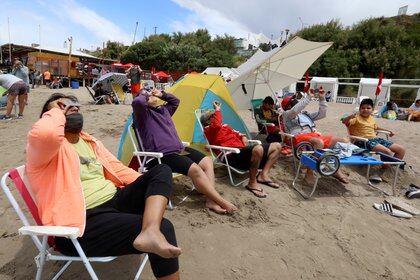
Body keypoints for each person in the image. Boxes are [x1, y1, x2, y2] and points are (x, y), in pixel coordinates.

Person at [26, 93, 181, 279]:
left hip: (114, 200)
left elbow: (119, 169)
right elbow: (46, 134)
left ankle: (150, 230)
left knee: (162, 170)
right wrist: (55, 111)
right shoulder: (44, 151)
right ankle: (154, 230)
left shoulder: (89, 141)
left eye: (74, 104)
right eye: (62, 106)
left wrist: (148, 188)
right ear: (50, 117)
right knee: (166, 227)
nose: (71, 107)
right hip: (82, 222)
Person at [132, 87, 237, 214]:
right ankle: (220, 201)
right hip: (160, 156)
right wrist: (145, 93)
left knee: (207, 161)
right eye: (148, 94)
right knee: (195, 169)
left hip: (178, 150)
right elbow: (137, 102)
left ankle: (210, 200)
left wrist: (162, 94)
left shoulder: (163, 110)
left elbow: (175, 101)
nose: (151, 95)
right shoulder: (142, 116)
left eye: (152, 93)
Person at [201, 101, 283, 198]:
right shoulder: (209, 130)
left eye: (215, 115)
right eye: (213, 116)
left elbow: (239, 134)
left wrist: (243, 138)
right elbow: (217, 125)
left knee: (277, 146)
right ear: (207, 121)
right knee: (258, 149)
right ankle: (252, 183)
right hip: (231, 155)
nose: (216, 116)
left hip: (242, 152)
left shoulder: (225, 126)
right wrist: (218, 110)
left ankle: (263, 175)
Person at [281, 90, 350, 183]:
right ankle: (309, 172)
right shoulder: (286, 114)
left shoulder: (305, 114)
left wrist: (322, 99)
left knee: (343, 141)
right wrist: (308, 97)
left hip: (315, 135)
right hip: (299, 137)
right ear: (288, 105)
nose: (296, 100)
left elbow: (322, 114)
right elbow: (294, 110)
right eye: (294, 100)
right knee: (318, 142)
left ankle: (334, 168)